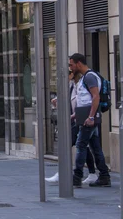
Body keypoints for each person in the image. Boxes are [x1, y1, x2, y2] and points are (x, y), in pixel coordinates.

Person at [45, 69, 97, 184]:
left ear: (72, 75)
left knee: (69, 145)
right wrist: (56, 102)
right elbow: (66, 101)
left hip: (77, 120)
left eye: (66, 74)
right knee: (84, 146)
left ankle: (64, 173)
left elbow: (81, 102)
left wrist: (74, 116)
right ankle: (93, 173)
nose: (63, 77)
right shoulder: (69, 86)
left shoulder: (78, 85)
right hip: (75, 120)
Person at [69, 53, 110, 188]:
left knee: (81, 146)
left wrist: (91, 117)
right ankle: (104, 176)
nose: (71, 67)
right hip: (86, 117)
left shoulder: (90, 77)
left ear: (79, 63)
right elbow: (84, 99)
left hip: (89, 119)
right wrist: (76, 115)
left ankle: (77, 177)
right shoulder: (84, 78)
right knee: (95, 147)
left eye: (71, 64)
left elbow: (95, 97)